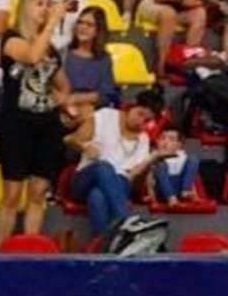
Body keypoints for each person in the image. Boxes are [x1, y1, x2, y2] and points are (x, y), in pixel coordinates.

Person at [0, 0, 69, 245]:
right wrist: (53, 23)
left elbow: (63, 85)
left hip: (46, 125)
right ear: (25, 7)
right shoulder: (11, 38)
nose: (46, 9)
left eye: (48, 5)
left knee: (38, 194)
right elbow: (32, 55)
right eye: (40, 4)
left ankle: (30, 251)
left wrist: (57, 101)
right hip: (16, 124)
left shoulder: (52, 50)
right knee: (12, 194)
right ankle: (0, 253)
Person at [66, 90, 165, 238]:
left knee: (97, 196)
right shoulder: (106, 115)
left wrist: (151, 161)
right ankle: (126, 222)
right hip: (87, 177)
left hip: (120, 182)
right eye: (140, 114)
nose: (140, 122)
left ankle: (104, 243)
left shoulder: (143, 139)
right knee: (104, 166)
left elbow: (133, 179)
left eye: (146, 120)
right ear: (132, 106)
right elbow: (70, 139)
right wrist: (85, 147)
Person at [61, 5, 120, 129]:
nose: (83, 27)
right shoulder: (63, 53)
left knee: (89, 114)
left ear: (98, 30)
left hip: (91, 111)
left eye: (89, 24)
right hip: (64, 109)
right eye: (80, 22)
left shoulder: (104, 59)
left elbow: (106, 94)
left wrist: (77, 99)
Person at [148, 125, 200, 203]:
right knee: (161, 165)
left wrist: (194, 194)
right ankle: (171, 197)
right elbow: (149, 181)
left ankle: (185, 191)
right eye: (162, 138)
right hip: (161, 190)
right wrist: (153, 199)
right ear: (157, 141)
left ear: (179, 144)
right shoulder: (155, 155)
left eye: (171, 139)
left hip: (179, 186)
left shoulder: (182, 156)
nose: (166, 142)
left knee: (193, 159)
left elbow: (191, 177)